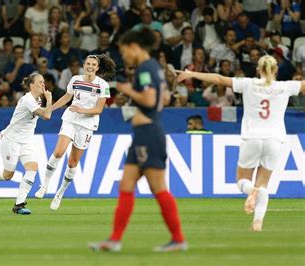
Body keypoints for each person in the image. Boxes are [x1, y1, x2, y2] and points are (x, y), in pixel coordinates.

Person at [176, 55, 305, 231]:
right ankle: (257, 223)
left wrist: (192, 74)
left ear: (258, 69)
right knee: (263, 185)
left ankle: (252, 191)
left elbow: (219, 78)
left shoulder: (248, 84)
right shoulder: (286, 87)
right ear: (276, 70)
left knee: (241, 181)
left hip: (251, 137)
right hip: (275, 140)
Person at [88, 28, 187, 253]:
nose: (123, 57)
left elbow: (150, 99)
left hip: (149, 134)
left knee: (158, 187)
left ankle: (178, 238)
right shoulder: (155, 68)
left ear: (134, 47)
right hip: (145, 134)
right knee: (126, 185)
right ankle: (114, 240)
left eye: (124, 52)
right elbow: (165, 96)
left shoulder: (144, 68)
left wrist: (127, 90)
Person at [34, 54, 116, 211]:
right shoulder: (75, 79)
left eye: (93, 64)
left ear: (97, 68)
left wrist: (82, 110)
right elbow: (67, 97)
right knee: (58, 152)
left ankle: (60, 193)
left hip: (87, 125)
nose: (90, 66)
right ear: (84, 65)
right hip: (71, 119)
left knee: (72, 163)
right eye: (88, 64)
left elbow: (99, 109)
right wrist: (50, 108)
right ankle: (44, 185)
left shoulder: (103, 85)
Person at [0, 73, 53, 215]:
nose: (43, 84)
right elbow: (47, 116)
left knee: (32, 168)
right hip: (12, 140)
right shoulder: (28, 99)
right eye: (40, 82)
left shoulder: (38, 100)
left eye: (43, 82)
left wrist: (47, 101)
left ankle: (19, 205)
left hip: (27, 141)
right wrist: (50, 100)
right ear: (31, 86)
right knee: (7, 175)